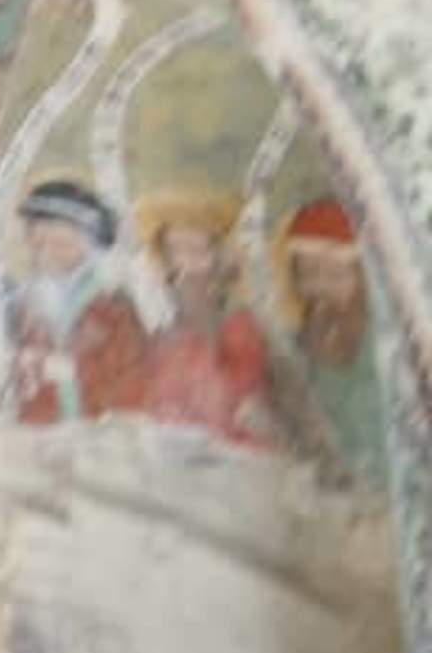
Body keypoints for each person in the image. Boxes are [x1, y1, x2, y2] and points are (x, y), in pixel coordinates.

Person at [136, 193, 274, 447]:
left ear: (218, 257)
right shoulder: (160, 327)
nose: (187, 264)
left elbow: (235, 403)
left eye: (198, 251)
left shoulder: (238, 326)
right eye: (176, 250)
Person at [6, 179, 148, 424]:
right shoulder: (28, 301)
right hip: (41, 430)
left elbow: (129, 375)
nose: (45, 249)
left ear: (86, 239)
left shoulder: (112, 300)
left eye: (58, 241)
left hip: (99, 429)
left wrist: (67, 369)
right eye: (38, 240)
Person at [282, 200, 385, 486]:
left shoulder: (385, 347)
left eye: (336, 275)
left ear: (363, 279)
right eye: (308, 275)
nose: (320, 289)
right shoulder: (300, 343)